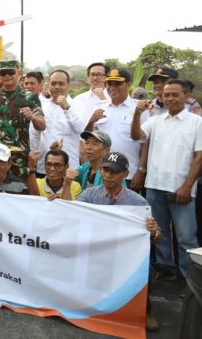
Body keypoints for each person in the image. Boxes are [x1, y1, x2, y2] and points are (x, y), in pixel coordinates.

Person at [76, 151, 162, 331]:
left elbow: (157, 239)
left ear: (125, 174)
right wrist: (57, 203)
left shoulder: (138, 202)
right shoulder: (89, 195)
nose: (108, 175)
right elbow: (72, 214)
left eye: (113, 172)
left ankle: (145, 309)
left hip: (125, 254)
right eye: (105, 170)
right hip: (96, 249)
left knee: (146, 267)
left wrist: (154, 231)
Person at [131, 79, 202, 280]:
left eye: (174, 94)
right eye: (166, 94)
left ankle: (190, 279)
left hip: (181, 189)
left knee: (186, 237)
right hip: (154, 187)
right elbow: (136, 135)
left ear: (187, 96)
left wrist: (187, 186)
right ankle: (165, 269)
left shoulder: (197, 122)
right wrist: (136, 114)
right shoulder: (155, 120)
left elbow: (199, 157)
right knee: (159, 233)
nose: (169, 98)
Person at [86, 68, 147, 183]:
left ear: (128, 84)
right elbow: (89, 137)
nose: (112, 87)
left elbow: (145, 143)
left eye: (117, 84)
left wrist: (141, 171)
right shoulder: (99, 106)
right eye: (109, 84)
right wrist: (91, 121)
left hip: (129, 172)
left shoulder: (140, 108)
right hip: (102, 172)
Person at [0, 60, 45, 180]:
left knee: (20, 188)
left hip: (21, 157)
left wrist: (32, 117)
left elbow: (42, 126)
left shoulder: (30, 97)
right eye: (3, 73)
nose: (7, 76)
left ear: (18, 73)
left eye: (11, 72)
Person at [29, 70, 84, 175]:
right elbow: (34, 133)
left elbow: (80, 129)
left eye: (61, 84)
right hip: (44, 166)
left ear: (68, 85)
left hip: (69, 167)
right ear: (48, 85)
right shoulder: (41, 106)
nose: (57, 87)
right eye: (53, 83)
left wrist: (67, 108)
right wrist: (33, 155)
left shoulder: (78, 105)